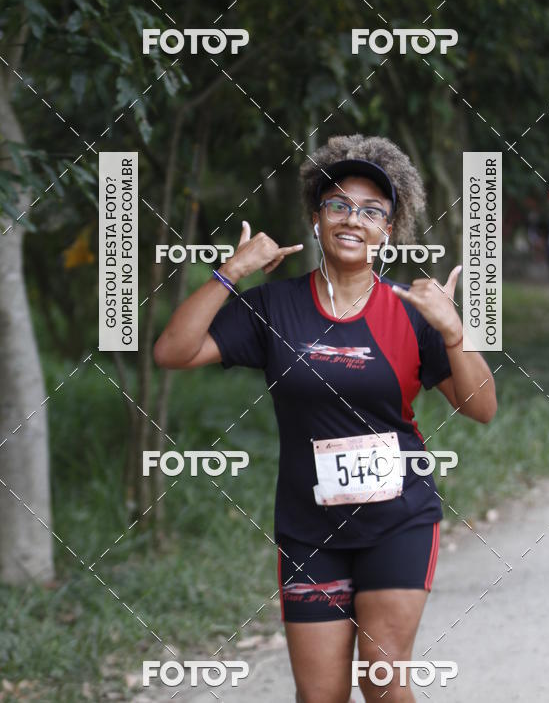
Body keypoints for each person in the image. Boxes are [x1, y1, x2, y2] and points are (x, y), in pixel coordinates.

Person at [154, 134, 498, 703]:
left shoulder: (411, 312)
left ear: (389, 229)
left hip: (398, 518)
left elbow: (481, 408)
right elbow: (173, 352)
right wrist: (231, 271)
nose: (352, 220)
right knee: (320, 696)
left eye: (370, 211)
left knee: (382, 680)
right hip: (309, 528)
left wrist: (455, 332)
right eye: (338, 204)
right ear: (316, 217)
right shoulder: (273, 307)